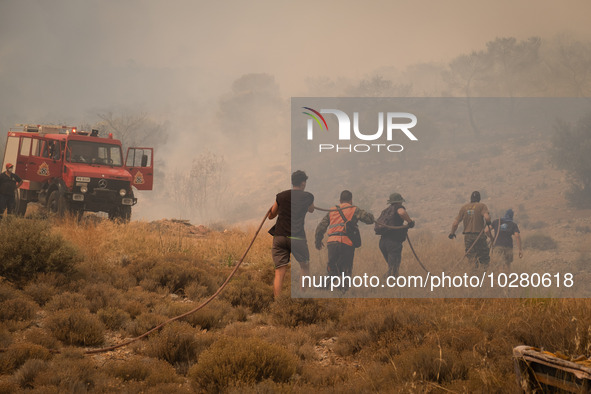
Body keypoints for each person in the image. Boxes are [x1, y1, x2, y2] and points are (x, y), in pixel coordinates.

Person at [314, 190, 374, 290]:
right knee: (346, 272)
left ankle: (321, 290)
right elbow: (369, 220)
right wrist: (371, 216)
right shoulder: (354, 209)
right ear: (351, 200)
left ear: (340, 200)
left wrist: (318, 241)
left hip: (332, 243)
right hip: (346, 244)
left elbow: (320, 227)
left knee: (332, 270)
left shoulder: (332, 210)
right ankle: (340, 294)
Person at [268, 170, 314, 297]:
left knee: (279, 271)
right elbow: (311, 210)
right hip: (297, 238)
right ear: (303, 183)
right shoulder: (308, 196)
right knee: (305, 267)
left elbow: (271, 216)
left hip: (280, 237)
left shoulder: (281, 196)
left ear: (292, 182)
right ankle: (302, 296)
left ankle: (278, 302)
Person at [375, 193, 415, 278]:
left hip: (383, 243)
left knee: (393, 268)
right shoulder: (398, 207)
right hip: (393, 243)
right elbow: (402, 213)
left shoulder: (386, 211)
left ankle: (392, 287)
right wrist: (410, 222)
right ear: (399, 201)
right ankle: (379, 285)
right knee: (393, 270)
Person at [449, 191, 492, 268]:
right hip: (479, 236)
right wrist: (488, 222)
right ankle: (483, 276)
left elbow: (455, 224)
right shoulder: (482, 206)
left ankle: (473, 277)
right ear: (479, 199)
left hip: (468, 238)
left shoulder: (464, 208)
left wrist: (452, 233)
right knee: (484, 258)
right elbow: (487, 217)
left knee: (471, 259)